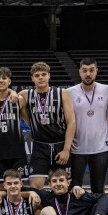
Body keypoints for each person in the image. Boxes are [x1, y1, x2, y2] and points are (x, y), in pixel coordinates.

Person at [23, 62, 76, 191]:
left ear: (49, 76)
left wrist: (66, 150)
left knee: (64, 187)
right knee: (35, 187)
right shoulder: (25, 94)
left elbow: (71, 122)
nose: (40, 77)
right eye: (37, 75)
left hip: (60, 144)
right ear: (32, 78)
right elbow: (6, 94)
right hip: (40, 145)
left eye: (43, 74)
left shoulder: (62, 93)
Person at [68, 58, 108, 194]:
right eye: (85, 70)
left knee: (98, 189)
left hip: (100, 148)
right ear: (80, 72)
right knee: (74, 189)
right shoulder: (70, 92)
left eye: (91, 70)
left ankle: (98, 209)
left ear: (96, 71)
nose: (88, 74)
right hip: (77, 149)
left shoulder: (106, 90)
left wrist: (99, 123)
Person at [0, 67, 30, 188]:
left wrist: (12, 92)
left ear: (9, 81)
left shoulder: (19, 100)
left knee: (18, 187)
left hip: (17, 153)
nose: (1, 80)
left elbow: (29, 121)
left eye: (4, 78)